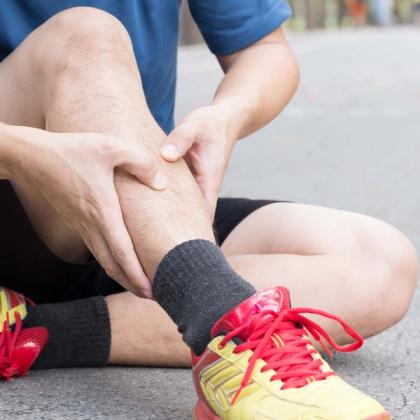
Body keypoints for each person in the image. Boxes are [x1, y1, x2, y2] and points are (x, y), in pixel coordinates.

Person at [0, 1, 417, 419]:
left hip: (133, 202)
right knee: (85, 33)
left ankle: (31, 330)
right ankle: (226, 326)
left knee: (382, 263)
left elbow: (264, 49)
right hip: (14, 186)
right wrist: (28, 153)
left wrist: (228, 114)